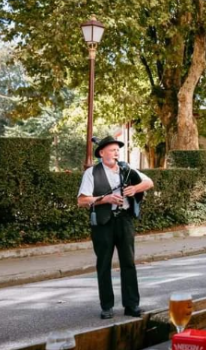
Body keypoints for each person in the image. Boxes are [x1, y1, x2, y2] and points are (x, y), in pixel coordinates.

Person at [77, 136, 154, 319]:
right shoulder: (92, 173)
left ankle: (132, 305)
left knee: (129, 263)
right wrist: (105, 199)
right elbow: (81, 200)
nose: (116, 153)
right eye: (112, 150)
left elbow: (149, 183)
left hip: (125, 221)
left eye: (117, 150)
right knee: (103, 265)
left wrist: (135, 189)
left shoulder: (126, 169)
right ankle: (107, 306)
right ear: (102, 153)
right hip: (103, 224)